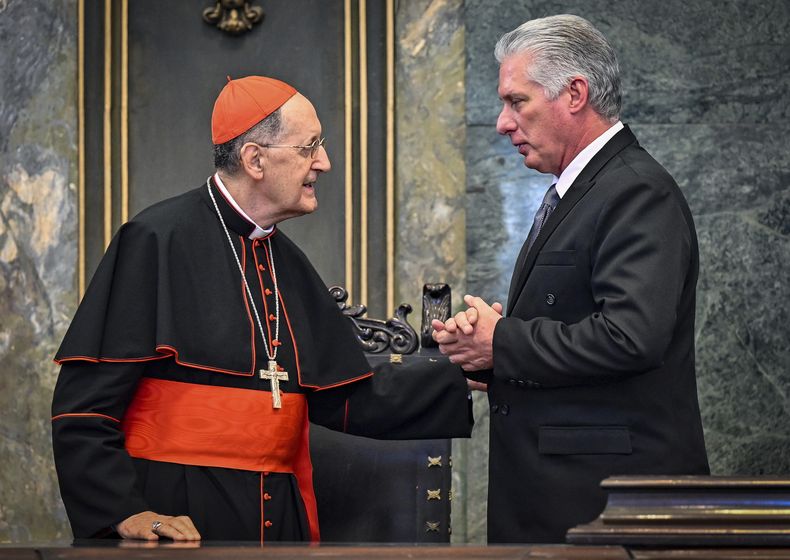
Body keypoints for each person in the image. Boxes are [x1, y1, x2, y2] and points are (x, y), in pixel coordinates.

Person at [51, 75, 472, 543]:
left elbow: (346, 396)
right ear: (255, 159)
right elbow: (83, 409)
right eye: (310, 146)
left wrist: (466, 369)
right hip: (175, 515)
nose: (325, 163)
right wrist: (125, 512)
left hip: (279, 518)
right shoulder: (155, 240)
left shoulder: (286, 261)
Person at [432, 14, 709, 544]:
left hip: (607, 507)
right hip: (565, 498)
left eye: (517, 102)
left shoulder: (634, 191)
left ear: (575, 93)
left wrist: (504, 340)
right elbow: (576, 327)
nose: (502, 123)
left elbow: (630, 336)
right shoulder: (583, 187)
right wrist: (487, 356)